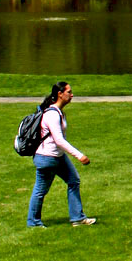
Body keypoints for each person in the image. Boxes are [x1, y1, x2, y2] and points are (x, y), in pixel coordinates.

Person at [27, 82, 96, 227]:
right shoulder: (52, 114)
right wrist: (79, 155)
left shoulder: (58, 112)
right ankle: (33, 222)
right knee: (40, 190)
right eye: (69, 92)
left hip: (57, 156)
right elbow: (59, 140)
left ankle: (77, 218)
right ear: (60, 94)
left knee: (73, 180)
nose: (72, 95)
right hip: (47, 158)